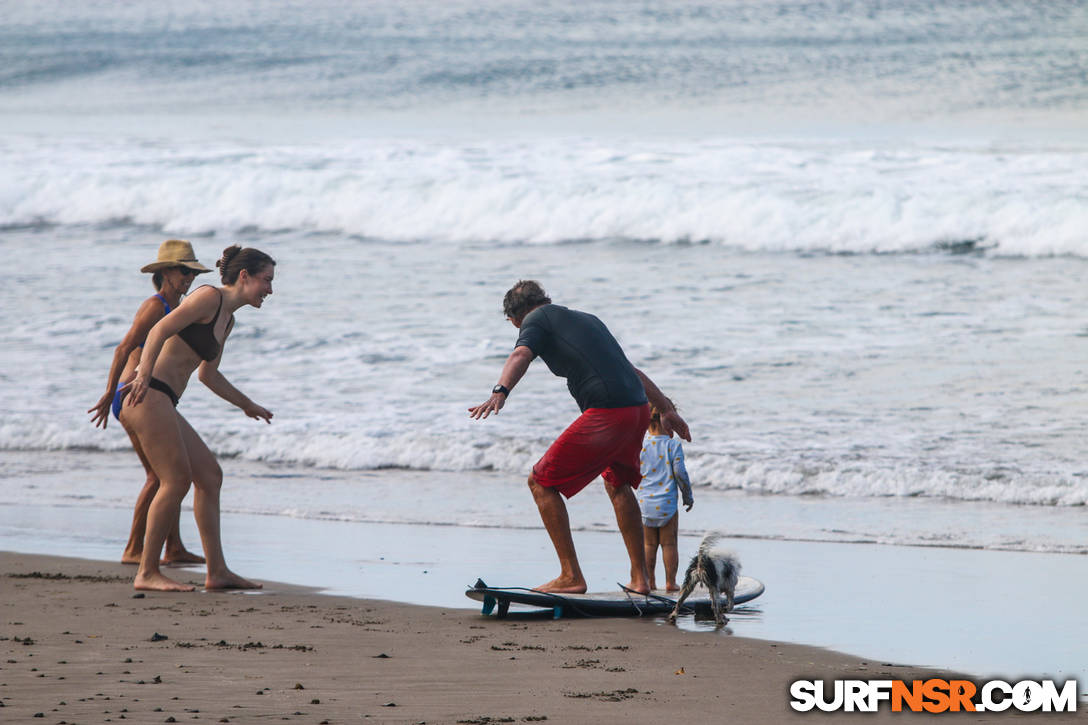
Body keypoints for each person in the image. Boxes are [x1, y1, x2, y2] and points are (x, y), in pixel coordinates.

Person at [469, 280, 690, 595]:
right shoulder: (588, 320)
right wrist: (665, 408)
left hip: (608, 412)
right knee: (617, 484)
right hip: (637, 409)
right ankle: (640, 580)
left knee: (541, 482)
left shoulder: (535, 321)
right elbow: (630, 371)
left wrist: (499, 392)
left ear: (514, 318)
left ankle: (571, 575)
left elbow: (520, 354)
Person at [123, 244, 276, 592]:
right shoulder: (209, 297)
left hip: (164, 399)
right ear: (244, 276)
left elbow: (209, 375)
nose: (270, 289)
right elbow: (160, 329)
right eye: (266, 280)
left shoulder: (229, 320)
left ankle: (217, 572)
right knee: (175, 481)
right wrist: (143, 375)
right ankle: (146, 572)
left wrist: (246, 404)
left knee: (209, 475)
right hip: (148, 393)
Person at [87, 240, 209, 566]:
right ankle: (133, 549)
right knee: (160, 477)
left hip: (151, 396)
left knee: (171, 472)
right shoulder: (155, 306)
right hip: (132, 395)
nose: (189, 277)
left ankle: (175, 548)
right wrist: (108, 392)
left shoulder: (180, 307)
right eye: (184, 271)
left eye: (192, 272)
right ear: (166, 272)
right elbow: (123, 348)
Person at [637, 403, 694, 591]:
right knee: (669, 544)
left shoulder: (641, 445)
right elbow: (680, 473)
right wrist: (687, 495)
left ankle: (650, 582)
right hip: (667, 503)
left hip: (645, 503)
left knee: (648, 544)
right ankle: (670, 582)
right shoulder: (672, 444)